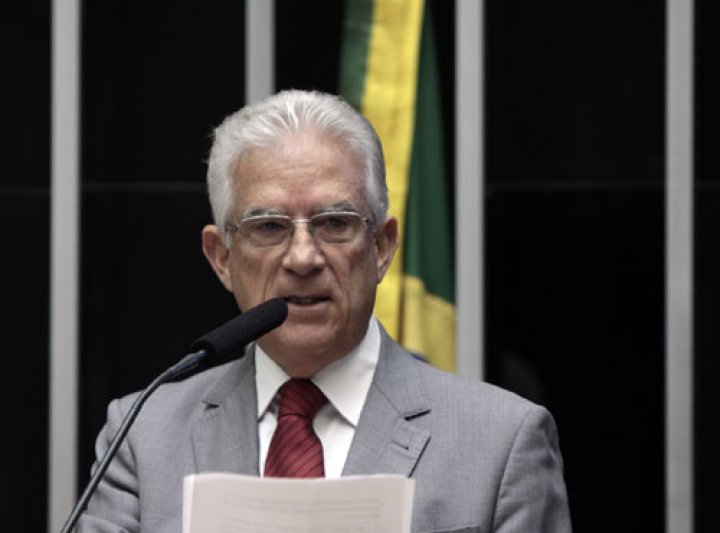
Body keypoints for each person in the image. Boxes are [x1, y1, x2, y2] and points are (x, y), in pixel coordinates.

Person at [78, 90, 571, 532]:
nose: (302, 258)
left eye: (335, 223)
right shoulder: (142, 434)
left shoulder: (502, 443)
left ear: (382, 247)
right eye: (269, 227)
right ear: (222, 258)